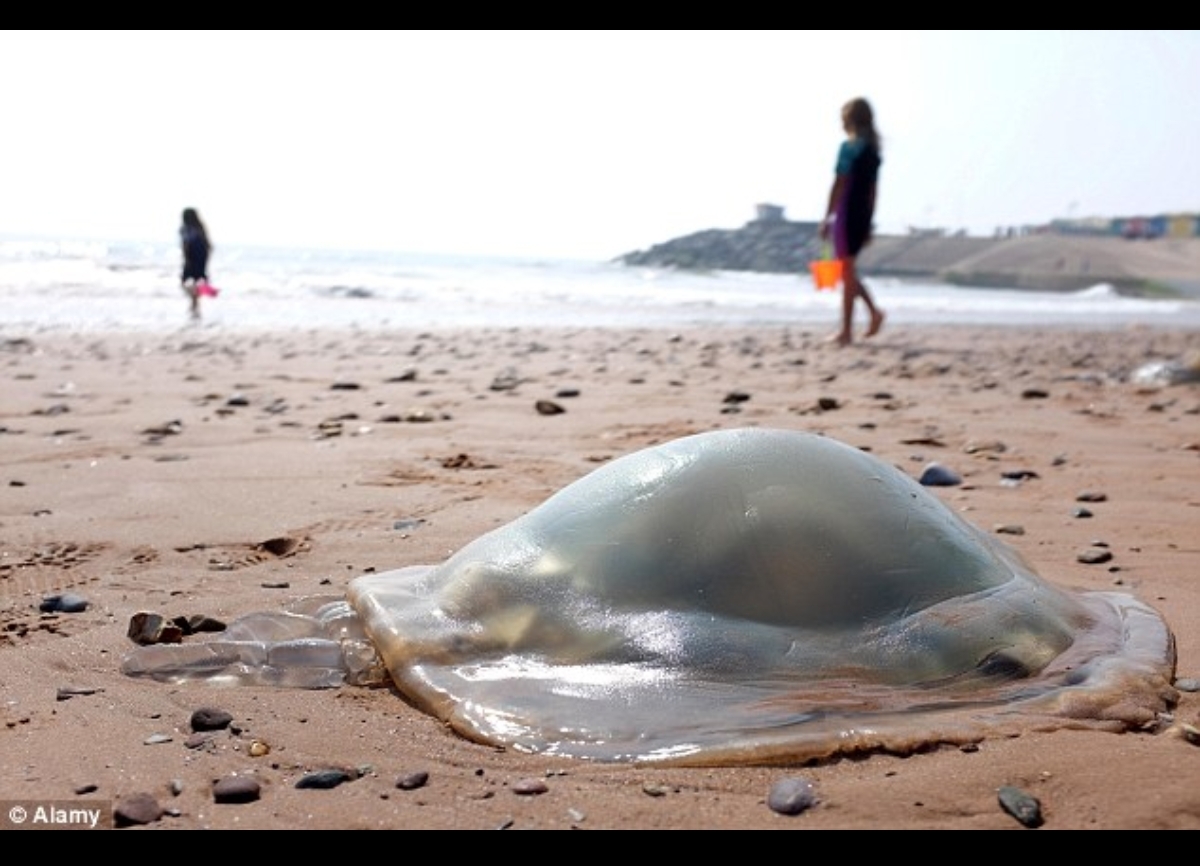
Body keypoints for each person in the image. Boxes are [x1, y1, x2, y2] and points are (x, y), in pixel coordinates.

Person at [819, 97, 884, 346]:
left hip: (846, 214)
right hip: (862, 216)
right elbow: (873, 192)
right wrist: (869, 222)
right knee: (848, 272)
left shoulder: (849, 148)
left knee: (846, 272)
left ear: (850, 120)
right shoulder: (873, 151)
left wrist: (827, 216)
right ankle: (873, 314)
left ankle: (847, 331)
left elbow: (839, 184)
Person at [179, 207, 212, 320]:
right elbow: (209, 246)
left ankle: (194, 304)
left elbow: (185, 245)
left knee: (184, 282)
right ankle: (195, 303)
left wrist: (186, 259)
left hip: (191, 257)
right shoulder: (200, 228)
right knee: (197, 281)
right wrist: (206, 260)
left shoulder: (185, 229)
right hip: (201, 257)